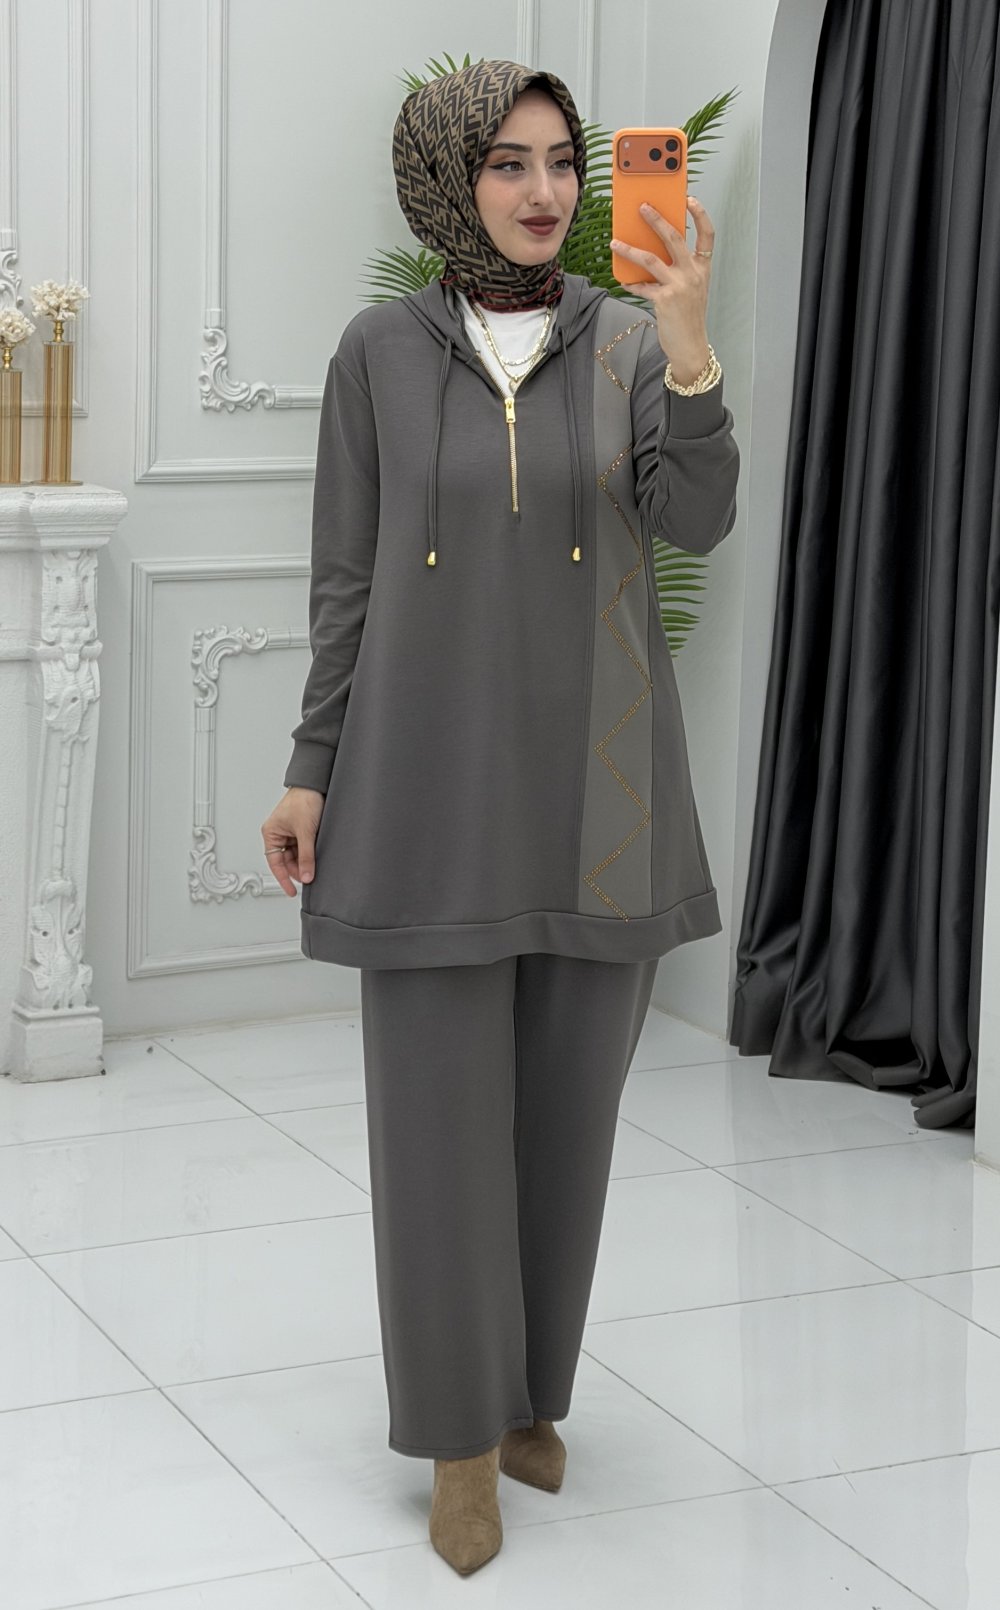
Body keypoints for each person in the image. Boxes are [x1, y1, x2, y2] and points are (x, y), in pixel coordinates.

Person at [260, 58, 739, 1576]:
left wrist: (690, 342)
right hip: (424, 787)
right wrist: (310, 764)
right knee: (436, 1126)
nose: (543, 193)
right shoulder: (378, 355)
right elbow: (346, 579)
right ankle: (460, 1440)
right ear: (449, 180)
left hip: (602, 795)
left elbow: (698, 519)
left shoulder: (627, 341)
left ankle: (532, 1398)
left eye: (560, 163)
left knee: (568, 1120)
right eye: (507, 164)